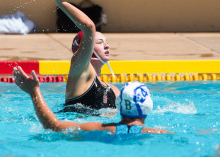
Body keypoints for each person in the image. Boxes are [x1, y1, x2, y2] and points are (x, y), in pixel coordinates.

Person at [13, 66, 171, 134]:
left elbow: (53, 125)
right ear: (148, 108)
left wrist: (34, 92)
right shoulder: (159, 133)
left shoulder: (104, 128)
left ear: (119, 106)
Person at [48, 0, 119, 112]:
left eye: (106, 42)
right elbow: (89, 27)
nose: (106, 46)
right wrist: (60, 2)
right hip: (75, 131)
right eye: (99, 42)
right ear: (83, 48)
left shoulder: (113, 91)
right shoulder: (79, 71)